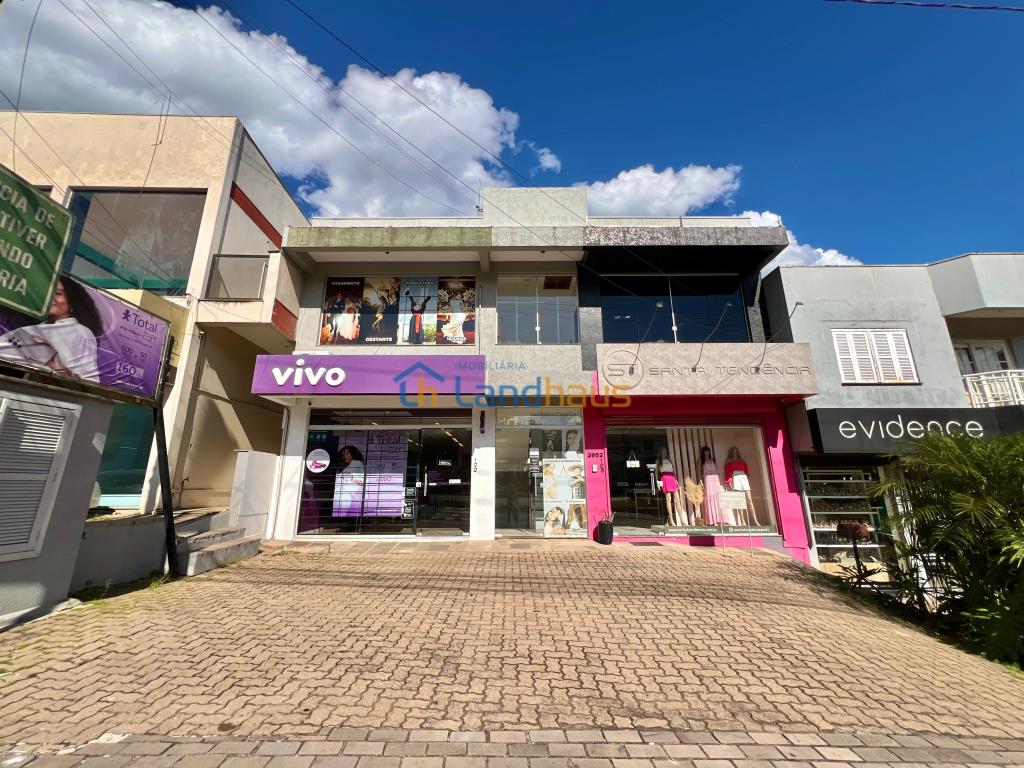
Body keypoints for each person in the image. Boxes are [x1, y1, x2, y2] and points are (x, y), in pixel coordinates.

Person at [0, 279, 101, 381]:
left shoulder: (80, 332)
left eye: (58, 294)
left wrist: (55, 363)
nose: (50, 298)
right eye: (47, 293)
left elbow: (90, 380)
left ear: (72, 302)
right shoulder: (35, 328)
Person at [724, 447, 758, 525]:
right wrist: (729, 481)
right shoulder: (729, 461)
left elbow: (746, 471)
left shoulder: (742, 460)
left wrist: (746, 477)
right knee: (739, 501)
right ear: (731, 452)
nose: (735, 453)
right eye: (733, 451)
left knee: (749, 499)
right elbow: (727, 472)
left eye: (736, 451)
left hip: (743, 477)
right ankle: (742, 522)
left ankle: (755, 520)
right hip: (735, 478)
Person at [332, 445, 365, 516]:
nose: (345, 456)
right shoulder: (340, 467)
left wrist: (352, 479)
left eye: (347, 453)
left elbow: (361, 481)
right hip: (340, 492)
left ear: (352, 454)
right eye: (343, 455)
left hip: (349, 492)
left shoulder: (357, 463)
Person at [656, 447, 684, 527]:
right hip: (664, 478)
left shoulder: (669, 460)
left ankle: (682, 519)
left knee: (677, 499)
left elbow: (672, 471)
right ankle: (671, 519)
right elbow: (657, 473)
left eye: (665, 451)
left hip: (672, 478)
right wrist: (658, 484)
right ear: (660, 452)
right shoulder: (658, 461)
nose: (664, 452)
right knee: (668, 499)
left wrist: (676, 480)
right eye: (663, 451)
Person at [700, 446, 725, 526]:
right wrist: (701, 483)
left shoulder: (712, 460)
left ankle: (721, 519)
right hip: (707, 479)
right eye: (705, 451)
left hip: (715, 479)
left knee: (717, 498)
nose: (707, 453)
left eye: (708, 451)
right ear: (703, 453)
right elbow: (699, 473)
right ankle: (713, 520)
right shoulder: (701, 461)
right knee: (710, 499)